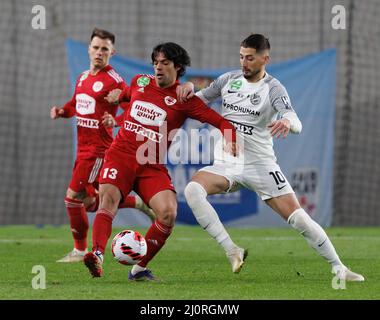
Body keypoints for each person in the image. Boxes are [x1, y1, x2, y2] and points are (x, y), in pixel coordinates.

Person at [182, 34, 364, 281]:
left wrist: (287, 122)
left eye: (250, 58)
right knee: (193, 189)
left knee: (299, 219)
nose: (244, 63)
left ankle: (339, 268)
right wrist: (190, 87)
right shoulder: (228, 80)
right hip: (227, 163)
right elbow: (194, 102)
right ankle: (232, 250)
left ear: (265, 59)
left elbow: (294, 118)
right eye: (241, 57)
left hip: (260, 165)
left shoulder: (273, 88)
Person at [83, 42, 238, 280]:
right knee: (108, 199)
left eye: (164, 63)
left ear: (177, 66)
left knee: (167, 214)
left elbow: (221, 122)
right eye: (155, 62)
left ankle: (138, 269)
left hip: (151, 164)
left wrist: (231, 140)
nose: (158, 67)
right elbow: (127, 94)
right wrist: (117, 96)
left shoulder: (184, 99)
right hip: (120, 155)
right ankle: (97, 256)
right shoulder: (140, 81)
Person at [50, 28, 155, 263]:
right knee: (88, 204)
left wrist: (114, 121)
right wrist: (62, 111)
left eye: (104, 49)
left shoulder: (113, 81)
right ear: (89, 49)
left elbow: (134, 106)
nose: (99, 52)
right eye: (96, 48)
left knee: (72, 199)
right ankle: (136, 202)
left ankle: (79, 251)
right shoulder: (83, 77)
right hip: (82, 148)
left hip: (99, 150)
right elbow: (76, 103)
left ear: (112, 52)